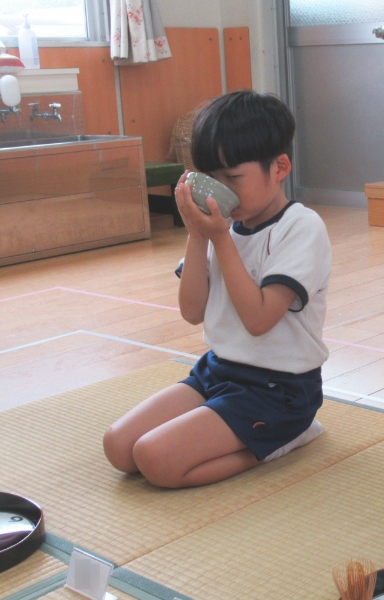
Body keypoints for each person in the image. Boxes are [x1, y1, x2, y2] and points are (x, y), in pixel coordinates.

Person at [103, 91, 331, 488]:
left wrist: (221, 240)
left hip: (277, 390)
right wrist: (198, 236)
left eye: (232, 178)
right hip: (218, 371)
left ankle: (285, 436)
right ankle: (246, 432)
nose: (220, 190)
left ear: (279, 168)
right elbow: (193, 311)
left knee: (156, 460)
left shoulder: (301, 227)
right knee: (120, 447)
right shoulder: (219, 228)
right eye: (212, 179)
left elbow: (259, 320)